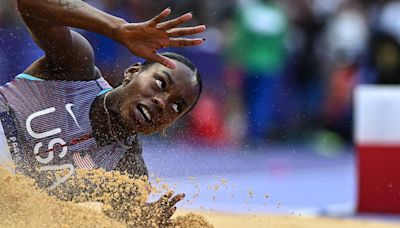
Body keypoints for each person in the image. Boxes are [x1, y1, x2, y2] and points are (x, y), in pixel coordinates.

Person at [0, 0, 205, 223]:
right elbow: (31, 3)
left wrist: (143, 221)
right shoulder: (75, 67)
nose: (161, 102)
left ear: (171, 124)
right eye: (160, 83)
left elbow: (120, 222)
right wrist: (117, 28)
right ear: (132, 72)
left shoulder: (128, 175)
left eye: (177, 107)